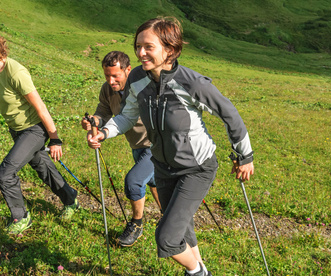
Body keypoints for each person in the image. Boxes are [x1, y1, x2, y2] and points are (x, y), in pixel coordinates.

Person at [87, 17, 254, 276]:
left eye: (148, 46)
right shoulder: (136, 79)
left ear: (170, 50)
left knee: (167, 238)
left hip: (196, 168)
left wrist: (245, 156)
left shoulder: (192, 83)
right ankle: (199, 271)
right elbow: (128, 116)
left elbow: (228, 113)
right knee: (182, 229)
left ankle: (198, 273)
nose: (140, 52)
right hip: (162, 167)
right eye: (138, 46)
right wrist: (105, 133)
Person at [0, 24, 79, 236]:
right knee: (43, 169)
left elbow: (40, 107)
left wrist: (54, 138)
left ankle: (21, 217)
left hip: (35, 130)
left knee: (5, 173)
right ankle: (70, 199)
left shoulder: (15, 71)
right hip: (16, 130)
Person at [81, 51, 161, 247]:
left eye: (115, 75)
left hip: (156, 145)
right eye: (107, 75)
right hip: (137, 145)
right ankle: (170, 217)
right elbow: (104, 113)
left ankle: (137, 224)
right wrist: (93, 122)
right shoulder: (107, 90)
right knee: (153, 181)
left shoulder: (143, 86)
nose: (111, 80)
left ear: (127, 70)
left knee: (134, 182)